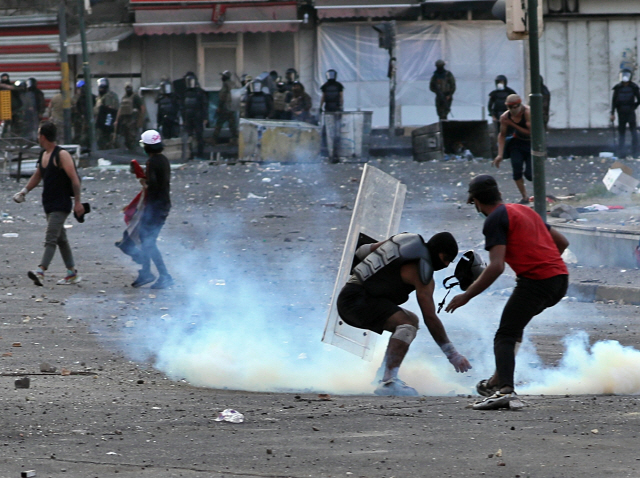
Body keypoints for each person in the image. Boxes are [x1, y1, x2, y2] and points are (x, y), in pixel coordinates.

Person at [446, 175, 569, 410]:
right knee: (515, 326)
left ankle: (505, 391)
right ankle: (496, 379)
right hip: (560, 280)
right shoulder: (525, 211)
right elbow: (562, 242)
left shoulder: (495, 220)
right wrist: (542, 262)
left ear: (475, 202)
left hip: (537, 281)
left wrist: (466, 295)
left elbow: (496, 266)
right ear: (499, 194)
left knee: (504, 335)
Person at [337, 232, 471, 396]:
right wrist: (452, 354)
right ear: (438, 251)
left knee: (411, 320)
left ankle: (383, 375)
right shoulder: (422, 274)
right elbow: (430, 317)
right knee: (406, 324)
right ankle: (388, 381)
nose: (447, 264)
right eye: (446, 259)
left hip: (350, 296)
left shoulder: (404, 239)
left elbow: (362, 251)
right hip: (356, 303)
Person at [13, 121, 85, 286]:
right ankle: (71, 273)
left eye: (39, 134)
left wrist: (78, 202)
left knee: (51, 238)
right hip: (48, 204)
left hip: (61, 204)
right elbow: (38, 175)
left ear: (43, 136)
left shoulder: (62, 155)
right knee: (61, 239)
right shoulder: (44, 154)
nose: (38, 137)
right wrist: (24, 192)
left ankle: (41, 271)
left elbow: (74, 179)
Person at [130, 130, 174, 289]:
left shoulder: (152, 162)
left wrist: (142, 179)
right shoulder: (163, 160)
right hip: (162, 205)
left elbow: (153, 186)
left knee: (148, 241)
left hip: (156, 207)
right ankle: (147, 271)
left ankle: (164, 275)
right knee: (145, 238)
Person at [492, 94, 531, 205]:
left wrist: (512, 124)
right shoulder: (505, 117)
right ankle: (524, 196)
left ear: (520, 104)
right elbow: (502, 135)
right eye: (510, 107)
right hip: (517, 142)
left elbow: (531, 132)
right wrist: (500, 154)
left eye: (516, 107)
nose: (514, 110)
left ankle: (540, 194)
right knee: (516, 167)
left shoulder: (527, 112)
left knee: (530, 174)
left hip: (531, 143)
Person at [610, 69, 640, 158]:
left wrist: (633, 107)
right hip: (621, 112)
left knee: (633, 132)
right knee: (621, 133)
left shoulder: (634, 87)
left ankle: (635, 152)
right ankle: (621, 152)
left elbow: (639, 99)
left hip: (630, 112)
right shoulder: (618, 88)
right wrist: (612, 113)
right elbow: (614, 101)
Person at [181, 72, 208, 159]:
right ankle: (190, 154)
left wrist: (205, 117)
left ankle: (200, 153)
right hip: (188, 117)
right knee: (189, 136)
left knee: (199, 135)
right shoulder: (185, 93)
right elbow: (183, 106)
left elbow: (204, 105)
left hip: (197, 117)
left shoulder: (200, 92)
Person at [114, 83, 145, 151]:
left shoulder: (135, 96)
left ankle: (133, 149)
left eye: (129, 87)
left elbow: (142, 107)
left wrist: (140, 119)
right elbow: (120, 109)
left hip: (133, 119)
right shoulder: (124, 97)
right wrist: (117, 120)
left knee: (132, 135)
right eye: (127, 88)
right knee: (125, 135)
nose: (128, 89)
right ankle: (128, 149)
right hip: (125, 119)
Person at [212, 70, 238, 145]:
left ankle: (214, 139)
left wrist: (220, 107)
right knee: (232, 125)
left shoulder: (225, 85)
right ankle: (235, 139)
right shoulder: (233, 84)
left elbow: (222, 97)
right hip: (232, 107)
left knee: (219, 123)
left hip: (225, 108)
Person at [93, 78, 119, 150]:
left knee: (104, 140)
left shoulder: (109, 96)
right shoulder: (100, 97)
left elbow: (109, 111)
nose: (100, 89)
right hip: (99, 122)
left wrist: (106, 124)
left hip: (105, 124)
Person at [72, 80, 95, 148]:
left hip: (88, 121)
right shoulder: (78, 98)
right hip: (80, 121)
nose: (78, 90)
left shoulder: (91, 97)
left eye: (80, 88)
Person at [22, 77, 46, 142]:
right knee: (28, 126)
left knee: (36, 126)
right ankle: (29, 139)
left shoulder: (38, 93)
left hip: (36, 112)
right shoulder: (26, 93)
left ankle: (36, 138)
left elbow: (41, 103)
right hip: (28, 113)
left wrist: (40, 112)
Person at [0, 72, 22, 137]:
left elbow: (17, 89)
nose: (4, 79)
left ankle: (14, 137)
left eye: (5, 77)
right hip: (3, 110)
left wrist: (5, 86)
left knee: (14, 124)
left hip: (13, 109)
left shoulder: (12, 87)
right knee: (4, 125)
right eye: (3, 78)